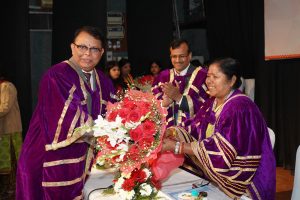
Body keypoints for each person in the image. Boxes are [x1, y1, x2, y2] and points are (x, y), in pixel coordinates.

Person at [16, 26, 115, 200]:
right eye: (82, 47)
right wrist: (108, 134)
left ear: (102, 52)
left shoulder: (104, 81)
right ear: (72, 47)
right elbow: (70, 117)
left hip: (81, 158)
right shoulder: (56, 75)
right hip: (48, 157)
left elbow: (113, 113)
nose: (87, 53)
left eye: (94, 49)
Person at [162, 58, 276, 200]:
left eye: (215, 77)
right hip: (218, 174)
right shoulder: (214, 101)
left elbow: (220, 150)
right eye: (208, 76)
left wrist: (178, 146)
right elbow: (196, 126)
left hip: (245, 182)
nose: (208, 81)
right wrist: (172, 133)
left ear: (232, 80)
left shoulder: (240, 107)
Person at [152, 39, 208, 127]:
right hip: (167, 133)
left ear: (190, 56)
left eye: (182, 56)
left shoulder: (203, 76)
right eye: (174, 56)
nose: (177, 60)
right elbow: (152, 106)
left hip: (193, 133)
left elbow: (207, 108)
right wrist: (164, 104)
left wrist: (178, 97)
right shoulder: (163, 76)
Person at [0, 72, 22, 197]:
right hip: (4, 130)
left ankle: (13, 188)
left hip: (10, 130)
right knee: (5, 162)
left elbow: (5, 107)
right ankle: (8, 188)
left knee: (11, 161)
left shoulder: (6, 86)